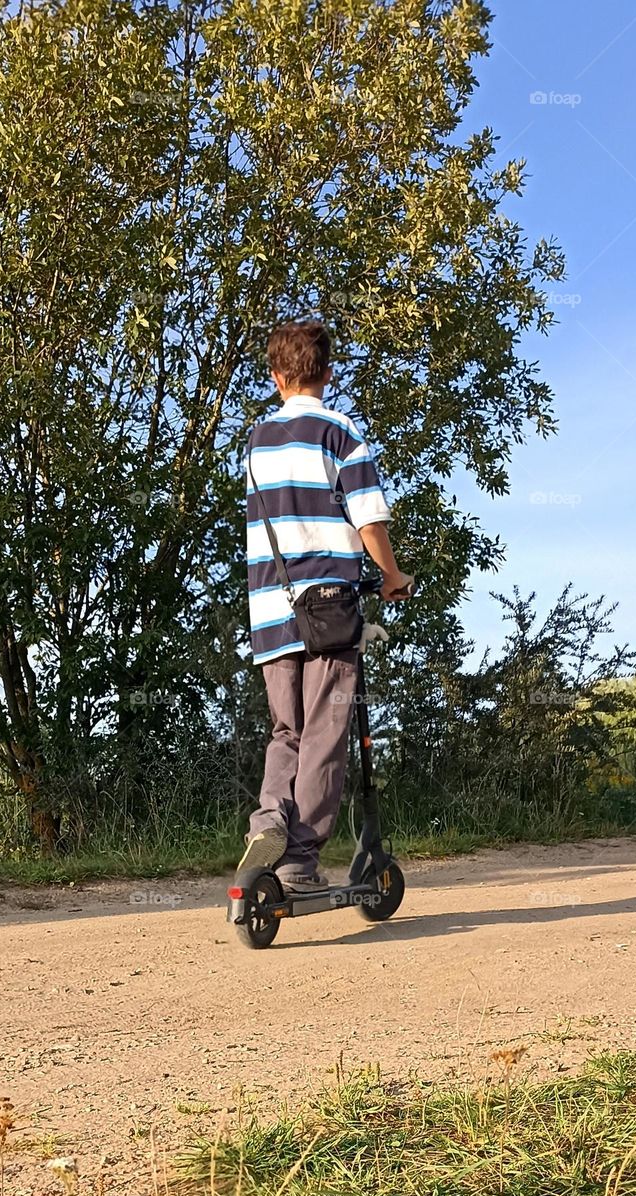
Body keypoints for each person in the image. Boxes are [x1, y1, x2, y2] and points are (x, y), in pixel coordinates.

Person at [241, 319, 413, 892]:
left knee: (286, 730)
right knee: (324, 733)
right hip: (331, 610)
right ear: (328, 372)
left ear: (275, 376)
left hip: (270, 609)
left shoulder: (256, 440)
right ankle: (298, 862)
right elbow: (368, 516)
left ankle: (268, 820)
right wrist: (391, 575)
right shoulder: (341, 432)